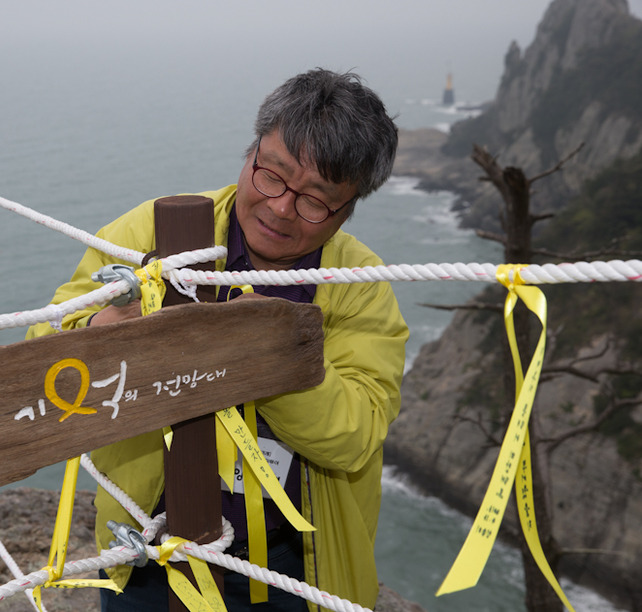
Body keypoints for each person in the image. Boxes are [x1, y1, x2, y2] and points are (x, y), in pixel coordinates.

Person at [26, 68, 408, 611]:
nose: (280, 207)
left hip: (295, 564)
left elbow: (355, 435)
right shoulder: (154, 234)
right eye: (271, 174)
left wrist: (268, 354)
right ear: (251, 151)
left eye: (315, 200)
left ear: (346, 211)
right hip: (150, 552)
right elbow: (41, 351)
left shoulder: (359, 285)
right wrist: (99, 332)